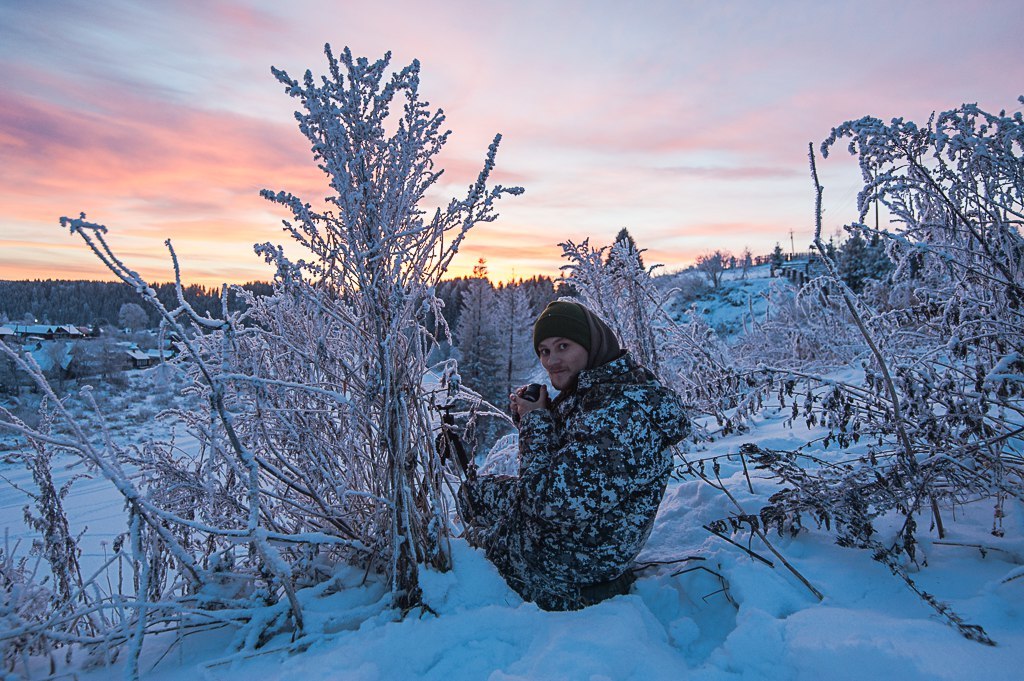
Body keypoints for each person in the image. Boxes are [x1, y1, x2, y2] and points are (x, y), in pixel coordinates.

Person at [458, 301, 689, 610]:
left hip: (570, 566)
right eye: (544, 351)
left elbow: (549, 503)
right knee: (474, 494)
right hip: (579, 535)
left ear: (591, 344)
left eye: (563, 346)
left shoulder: (618, 413)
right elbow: (576, 456)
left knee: (462, 552)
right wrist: (539, 416)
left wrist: (536, 423)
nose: (551, 360)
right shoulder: (604, 388)